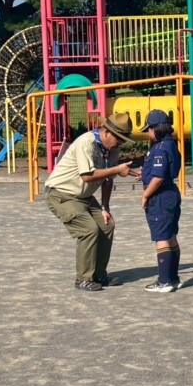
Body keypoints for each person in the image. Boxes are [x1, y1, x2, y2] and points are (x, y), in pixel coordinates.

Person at [44, 113, 140, 291]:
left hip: (84, 196)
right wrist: (116, 169)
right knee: (88, 229)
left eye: (123, 140)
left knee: (106, 225)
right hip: (62, 194)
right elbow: (87, 176)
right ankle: (83, 279)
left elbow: (108, 179)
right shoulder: (86, 143)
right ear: (107, 132)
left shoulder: (112, 149)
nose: (120, 143)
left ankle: (99, 275)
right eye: (119, 139)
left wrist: (105, 207)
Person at [139, 109, 183, 293]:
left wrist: (145, 195)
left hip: (160, 196)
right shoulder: (171, 144)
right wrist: (144, 175)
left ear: (156, 129)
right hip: (170, 193)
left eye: (149, 129)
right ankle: (173, 278)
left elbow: (158, 178)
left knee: (161, 238)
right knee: (170, 236)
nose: (148, 133)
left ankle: (164, 281)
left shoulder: (159, 149)